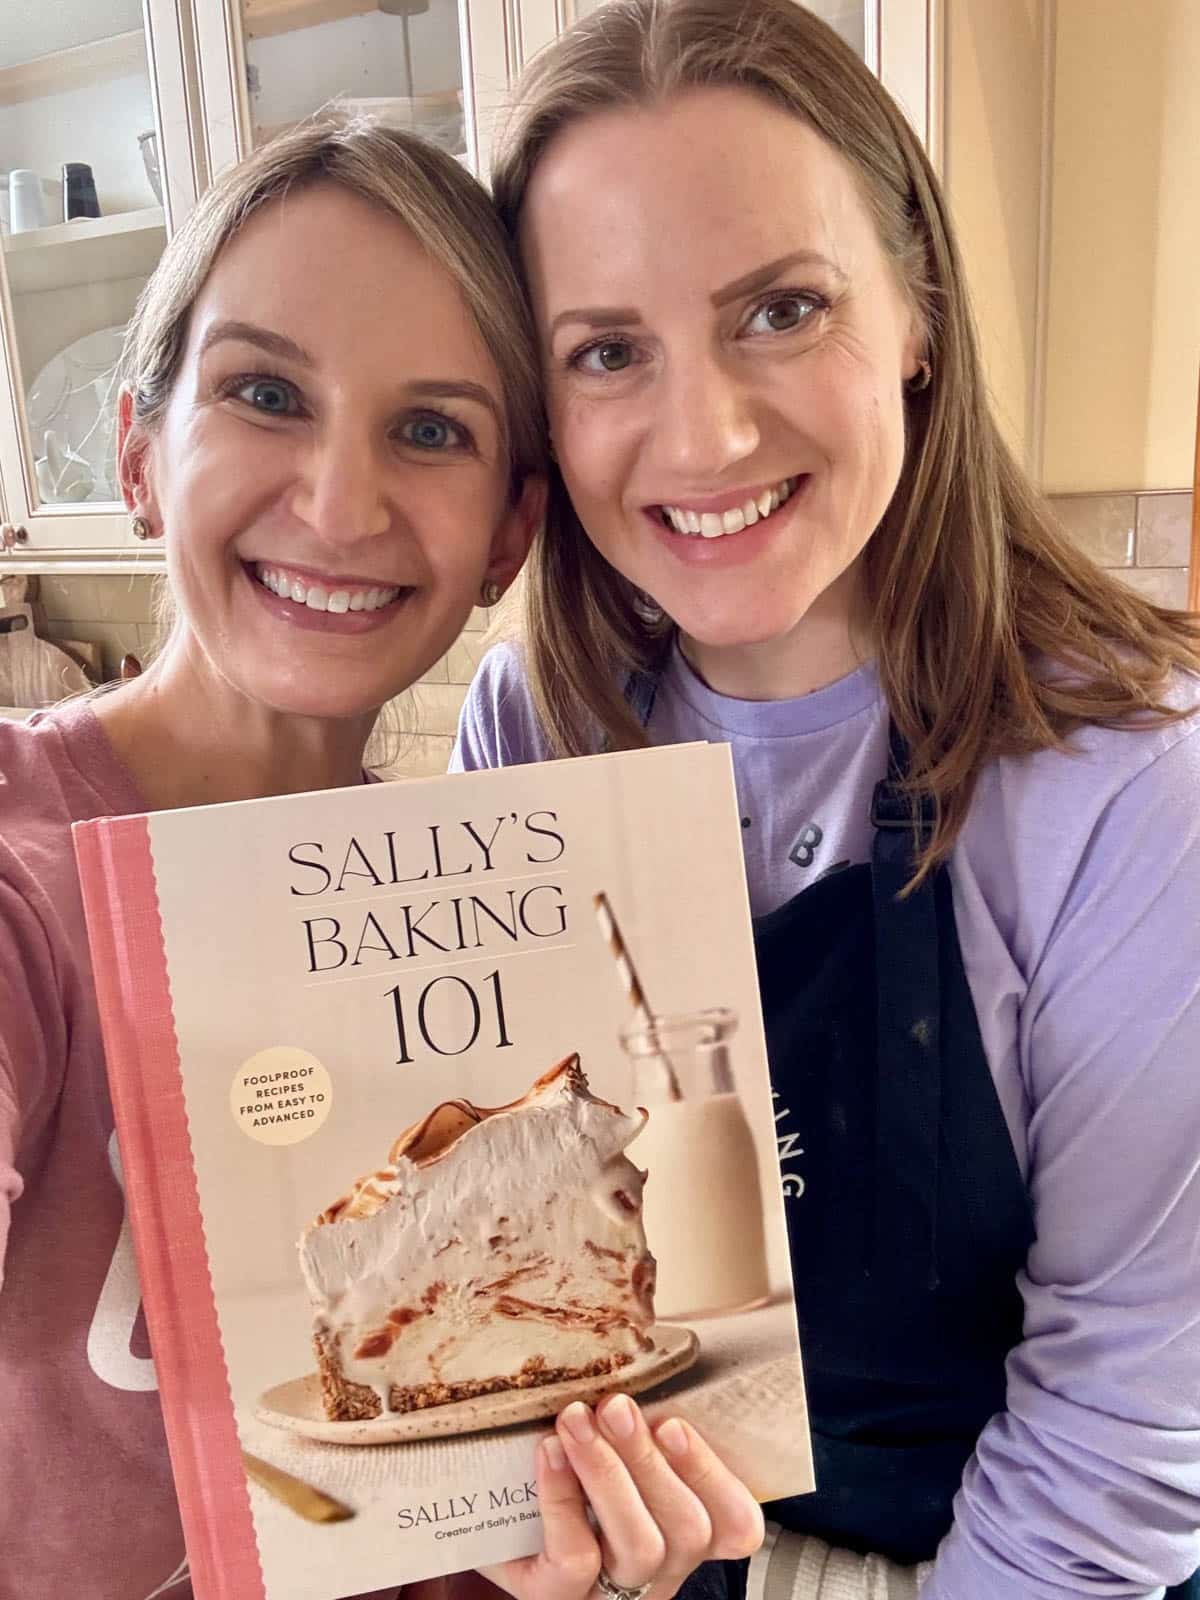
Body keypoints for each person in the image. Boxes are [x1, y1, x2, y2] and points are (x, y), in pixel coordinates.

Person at [450, 2, 1200, 1597]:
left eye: (781, 310)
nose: (705, 432)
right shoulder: (536, 727)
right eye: (605, 351)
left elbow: (1128, 1434)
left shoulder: (1135, 785)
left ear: (918, 308)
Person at [0, 118, 762, 1600]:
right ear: (141, 457)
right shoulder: (27, 870)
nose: (340, 506)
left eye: (431, 429)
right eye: (266, 393)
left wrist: (567, 1563)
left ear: (508, 532)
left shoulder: (477, 928)